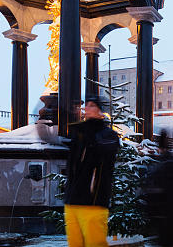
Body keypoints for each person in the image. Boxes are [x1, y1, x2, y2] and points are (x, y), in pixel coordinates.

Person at [63, 97, 121, 247]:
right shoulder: (79, 133)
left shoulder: (108, 135)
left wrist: (84, 128)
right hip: (72, 202)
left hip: (93, 202)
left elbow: (100, 152)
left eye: (92, 105)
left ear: (100, 111)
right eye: (86, 105)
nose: (86, 108)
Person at [144, 130, 173, 247]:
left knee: (165, 239)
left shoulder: (163, 164)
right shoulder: (170, 162)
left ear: (160, 148)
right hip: (170, 210)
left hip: (163, 210)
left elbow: (158, 187)